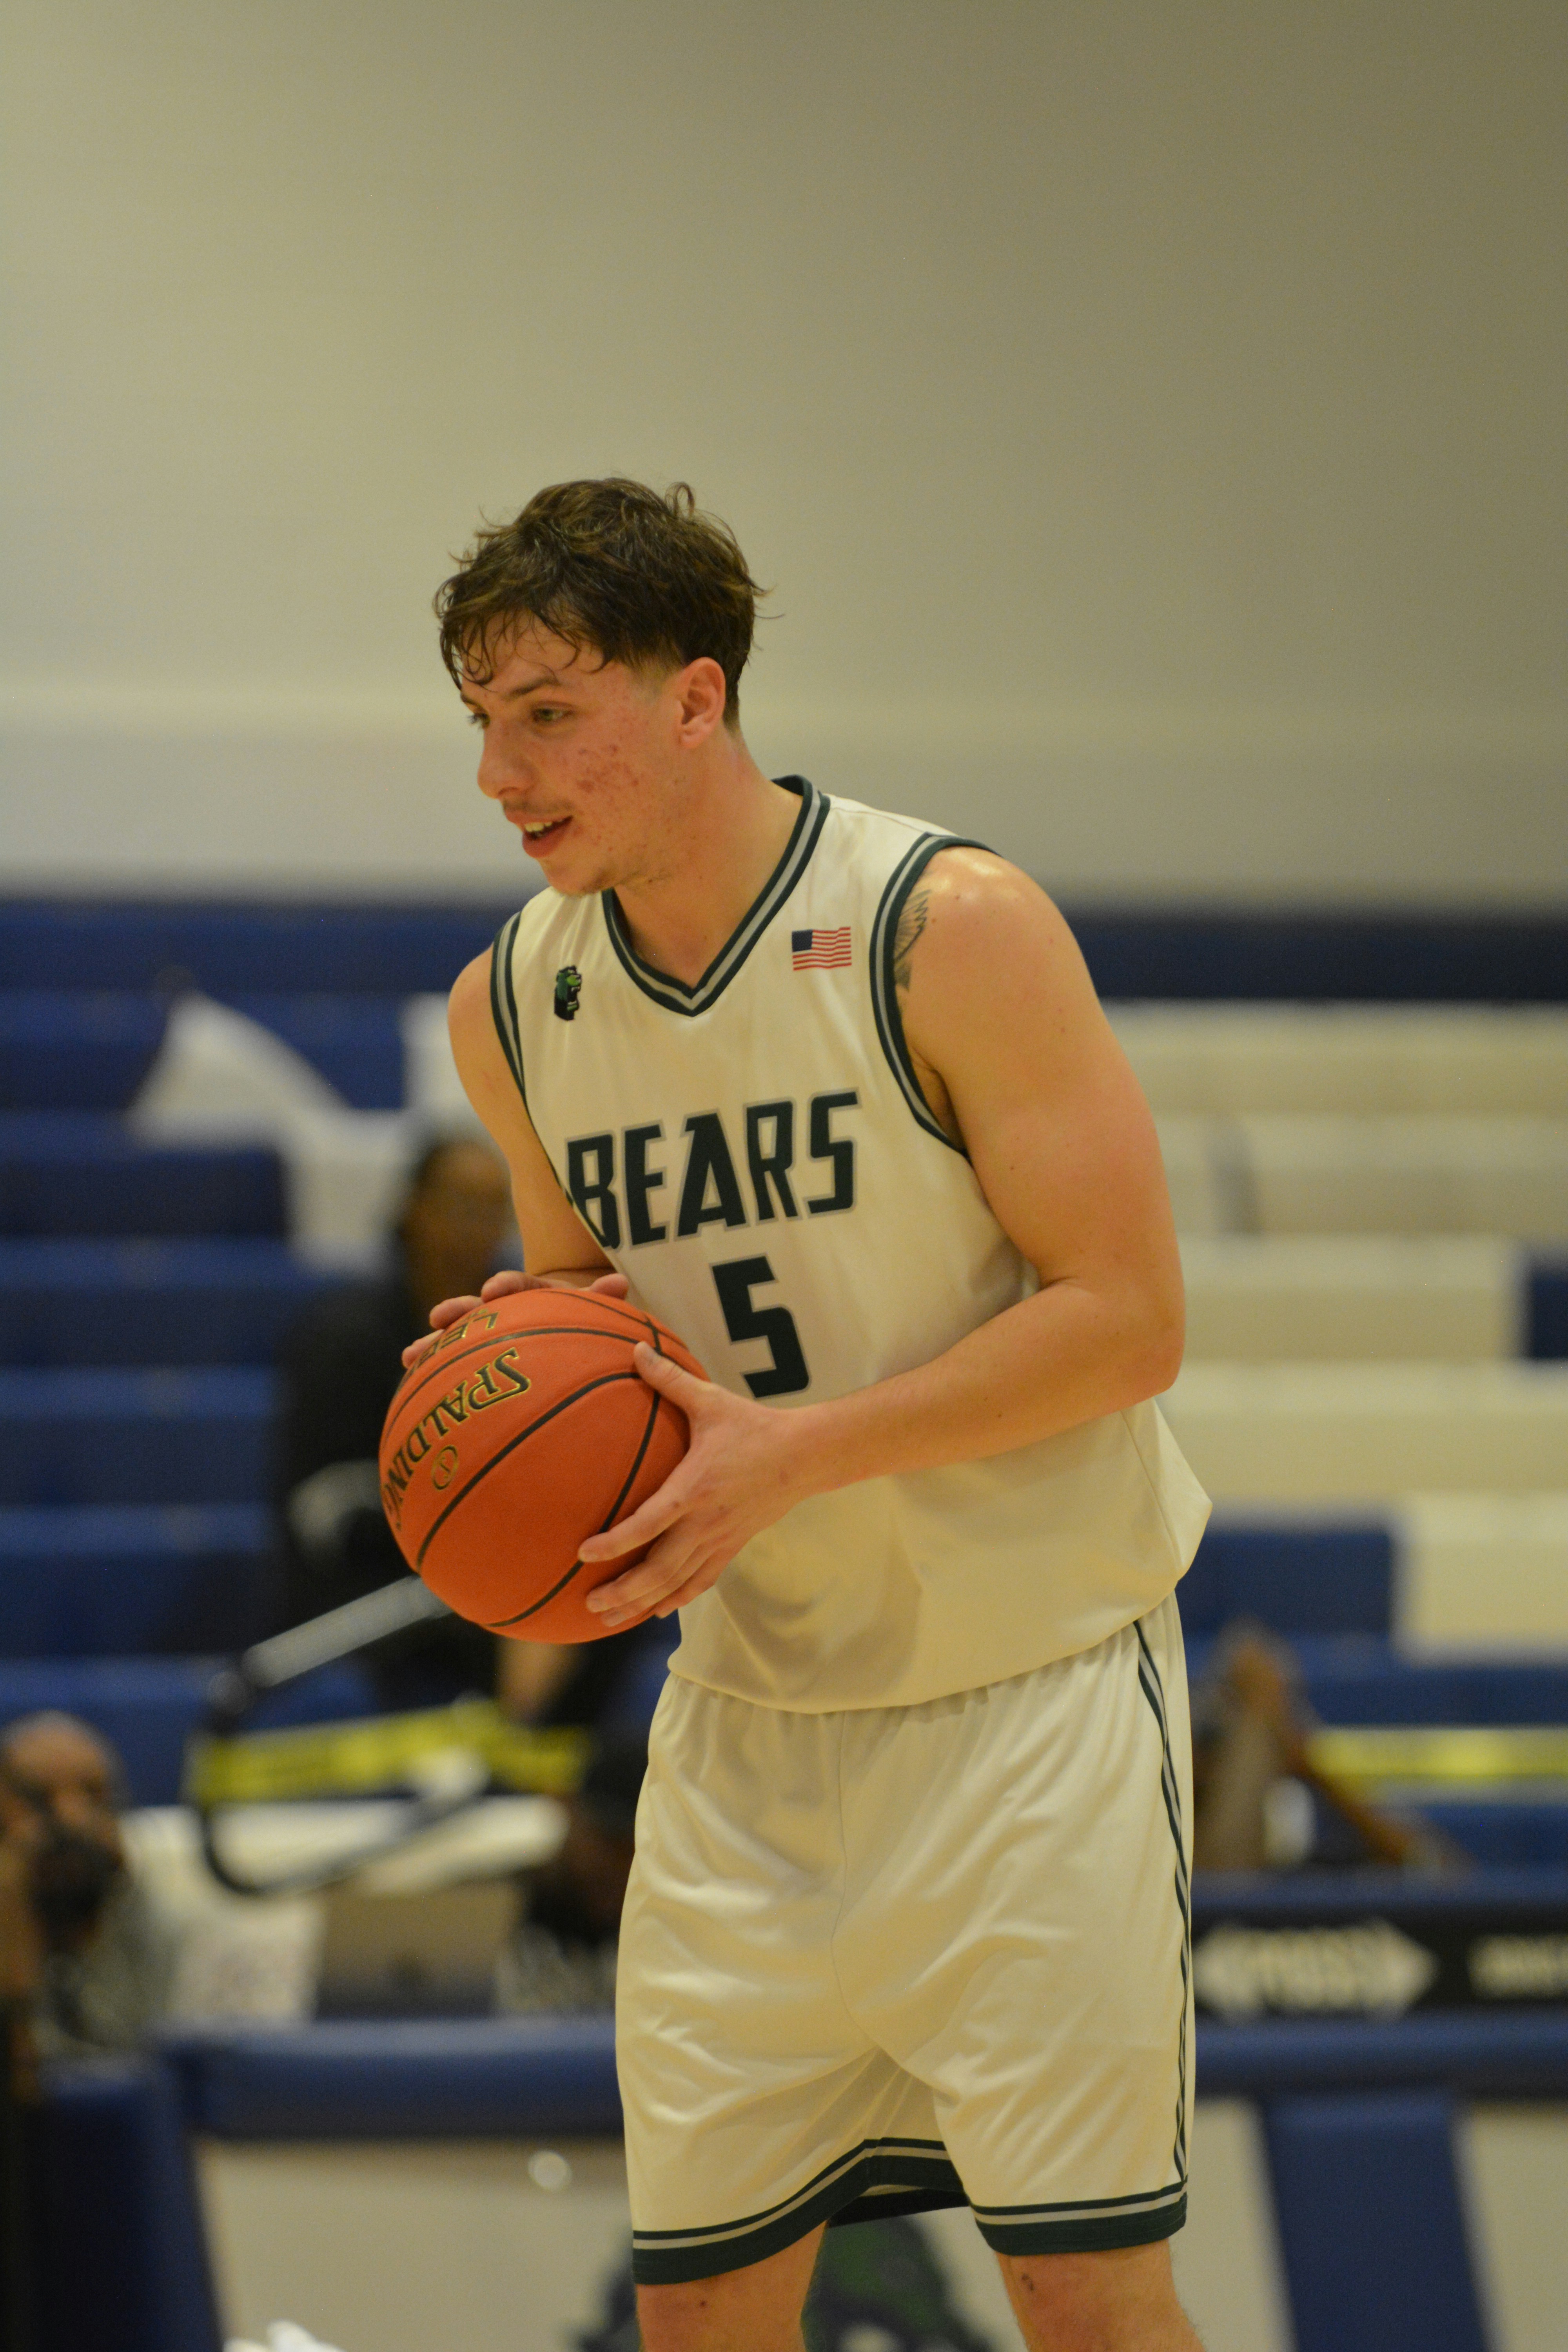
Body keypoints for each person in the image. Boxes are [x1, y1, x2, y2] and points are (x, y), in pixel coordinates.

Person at [415, 478, 1211, 2352]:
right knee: (696, 2322)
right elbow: (593, 1334)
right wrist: (502, 1366)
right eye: (479, 723)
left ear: (694, 699)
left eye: (548, 712)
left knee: (1079, 2297)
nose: (498, 773)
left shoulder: (950, 923)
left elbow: (1128, 1318)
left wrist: (796, 1449)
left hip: (1024, 1696)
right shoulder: (511, 1007)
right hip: (748, 1729)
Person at [278, 1131, 656, 1722]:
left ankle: (549, 1763)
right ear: (412, 1208)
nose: (475, 1227)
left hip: (488, 1571)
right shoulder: (343, 1337)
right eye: (459, 1205)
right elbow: (319, 1514)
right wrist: (475, 1510)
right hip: (376, 1591)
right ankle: (520, 1743)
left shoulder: (523, 1326)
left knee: (617, 1577)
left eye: (491, 1211)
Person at [0, 1713, 175, 2060]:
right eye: (39, 1798)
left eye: (94, 1796)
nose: (73, 1818)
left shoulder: (132, 1906)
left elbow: (135, 2053)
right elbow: (23, 2083)